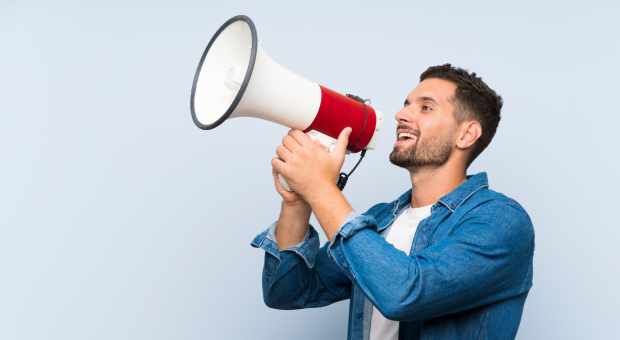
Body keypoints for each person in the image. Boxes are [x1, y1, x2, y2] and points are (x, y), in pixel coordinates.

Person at [251, 64, 535, 340]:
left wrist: (320, 188)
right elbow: (287, 292)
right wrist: (298, 202)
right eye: (406, 104)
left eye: (425, 107)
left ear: (466, 134)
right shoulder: (380, 221)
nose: (401, 115)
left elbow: (404, 293)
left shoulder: (500, 221)